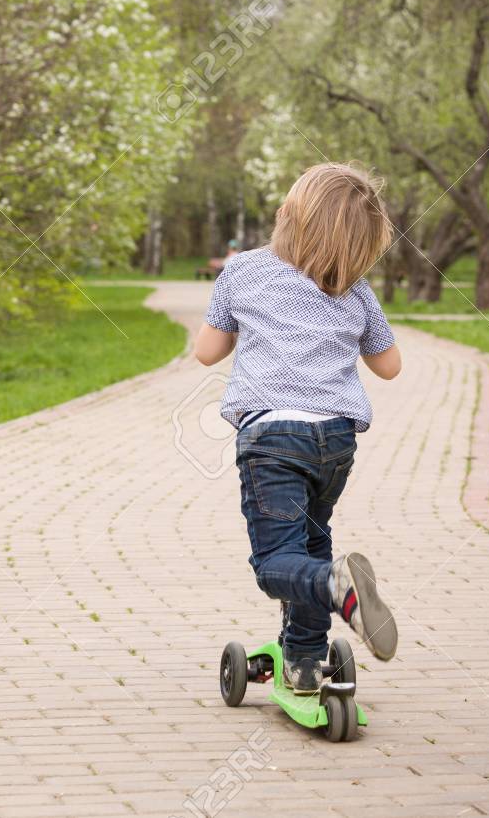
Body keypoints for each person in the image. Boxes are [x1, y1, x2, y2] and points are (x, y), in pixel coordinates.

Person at [193, 162, 402, 695]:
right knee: (311, 542)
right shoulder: (355, 291)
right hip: (334, 440)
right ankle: (305, 660)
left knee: (276, 564)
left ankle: (335, 588)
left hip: (271, 437)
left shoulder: (242, 271)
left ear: (286, 215)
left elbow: (206, 352)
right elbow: (389, 365)